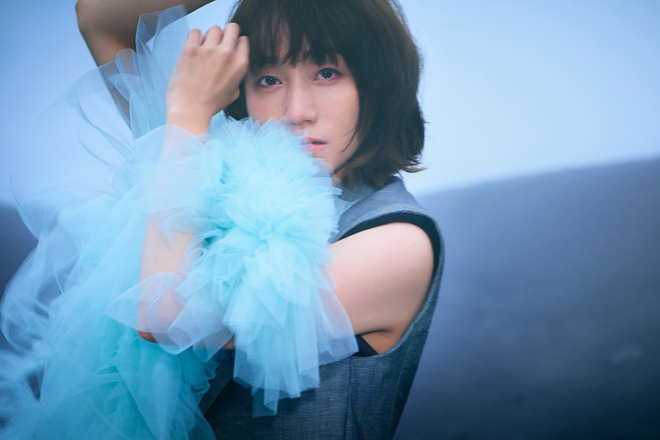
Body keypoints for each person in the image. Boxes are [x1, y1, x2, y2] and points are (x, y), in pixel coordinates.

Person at [0, 0, 443, 438]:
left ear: (381, 83)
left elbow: (166, 315)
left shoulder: (399, 242)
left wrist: (186, 117)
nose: (296, 111)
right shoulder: (207, 162)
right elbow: (97, 17)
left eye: (327, 73)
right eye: (268, 79)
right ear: (241, 90)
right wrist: (186, 122)